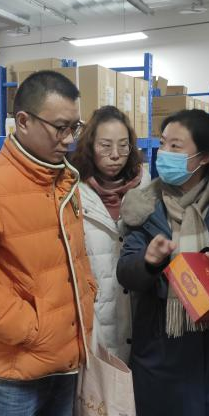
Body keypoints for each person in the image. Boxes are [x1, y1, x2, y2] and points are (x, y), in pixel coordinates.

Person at [0, 70, 97, 416]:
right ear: (23, 121)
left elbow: (75, 255)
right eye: (60, 127)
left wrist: (88, 295)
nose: (69, 140)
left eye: (75, 127)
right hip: (14, 371)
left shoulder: (64, 179)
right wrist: (31, 329)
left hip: (67, 357)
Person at [117, 109, 209, 416]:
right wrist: (148, 262)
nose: (164, 153)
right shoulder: (144, 205)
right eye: (163, 143)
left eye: (175, 146)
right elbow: (125, 272)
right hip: (160, 344)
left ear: (204, 157)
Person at [70, 106, 150, 362]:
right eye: (105, 146)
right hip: (94, 320)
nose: (115, 155)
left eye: (123, 146)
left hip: (141, 318)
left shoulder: (147, 188)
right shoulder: (71, 191)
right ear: (90, 146)